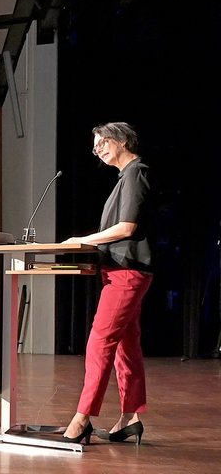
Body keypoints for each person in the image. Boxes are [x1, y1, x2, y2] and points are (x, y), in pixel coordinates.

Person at [61, 122, 154, 444]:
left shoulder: (136, 172)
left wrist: (82, 239)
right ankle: (131, 417)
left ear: (123, 140)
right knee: (127, 348)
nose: (97, 149)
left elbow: (127, 227)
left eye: (102, 142)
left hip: (127, 272)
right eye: (94, 145)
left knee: (99, 342)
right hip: (119, 270)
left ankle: (82, 419)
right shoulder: (125, 177)